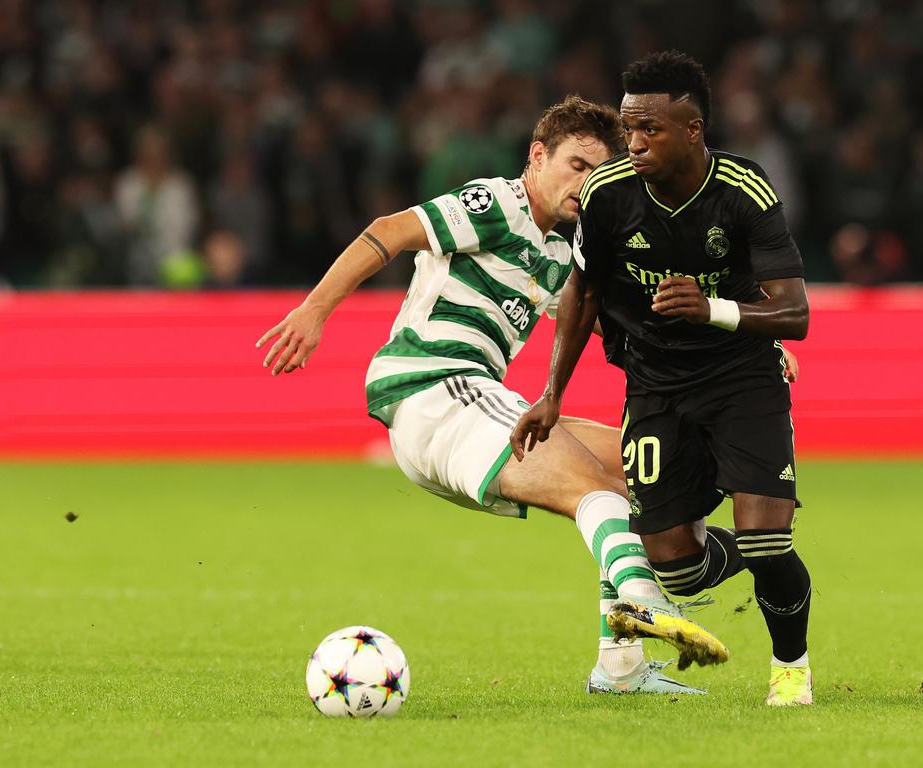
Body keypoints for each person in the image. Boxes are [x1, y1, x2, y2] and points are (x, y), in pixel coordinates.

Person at [255, 96, 730, 696]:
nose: (587, 186)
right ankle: (642, 598)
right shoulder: (498, 205)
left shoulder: (563, 252)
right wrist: (314, 311)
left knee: (639, 470)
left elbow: (633, 326)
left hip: (466, 408)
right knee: (593, 492)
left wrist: (739, 336)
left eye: (599, 175)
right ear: (537, 156)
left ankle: (622, 669)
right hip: (436, 388)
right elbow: (389, 231)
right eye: (577, 166)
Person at [511, 52, 814, 707]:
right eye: (629, 128)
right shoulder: (608, 194)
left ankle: (791, 666)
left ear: (694, 130)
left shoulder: (744, 190)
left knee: (769, 542)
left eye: (650, 128)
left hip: (742, 379)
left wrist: (713, 309)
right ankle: (756, 548)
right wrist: (552, 394)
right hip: (655, 387)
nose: (635, 142)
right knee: (677, 566)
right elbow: (581, 295)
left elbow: (795, 313)